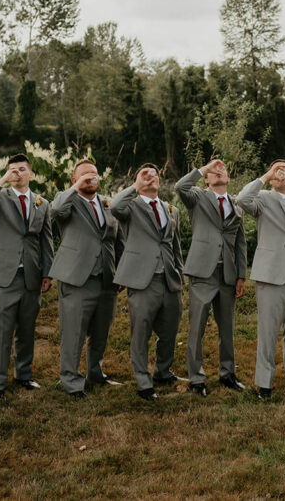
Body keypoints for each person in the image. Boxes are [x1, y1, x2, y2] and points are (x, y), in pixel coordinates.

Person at [0, 153, 54, 399]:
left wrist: (48, 272)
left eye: (21, 169)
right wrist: (1, 181)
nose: (17, 173)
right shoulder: (0, 197)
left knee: (27, 328)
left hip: (31, 274)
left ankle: (24, 375)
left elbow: (46, 240)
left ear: (31, 173)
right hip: (3, 274)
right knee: (2, 330)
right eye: (12, 170)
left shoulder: (42, 203)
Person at [235, 159, 285, 400]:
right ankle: (264, 383)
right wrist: (266, 177)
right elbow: (241, 200)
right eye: (276, 169)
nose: (281, 172)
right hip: (272, 273)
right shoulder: (263, 199)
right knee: (268, 331)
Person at [48, 159, 121, 398]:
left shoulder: (108, 204)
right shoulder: (67, 202)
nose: (91, 177)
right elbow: (56, 210)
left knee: (101, 330)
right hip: (77, 276)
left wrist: (119, 272)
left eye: (94, 173)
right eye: (84, 175)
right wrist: (76, 186)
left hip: (107, 278)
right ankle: (71, 381)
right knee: (74, 332)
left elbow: (117, 240)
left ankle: (95, 372)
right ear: (74, 180)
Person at [111, 163, 184, 401]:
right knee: (141, 332)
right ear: (137, 180)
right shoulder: (130, 207)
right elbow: (114, 206)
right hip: (142, 280)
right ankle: (143, 382)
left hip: (169, 280)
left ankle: (162, 371)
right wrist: (135, 186)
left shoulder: (170, 209)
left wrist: (180, 276)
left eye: (154, 175)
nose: (151, 177)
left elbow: (175, 246)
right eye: (145, 174)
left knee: (170, 330)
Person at [176, 159, 248, 396]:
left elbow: (240, 244)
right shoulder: (197, 197)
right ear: (206, 178)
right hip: (202, 272)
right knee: (196, 328)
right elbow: (179, 188)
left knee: (227, 328)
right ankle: (196, 379)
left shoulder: (236, 207)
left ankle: (228, 374)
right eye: (214, 171)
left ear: (229, 179)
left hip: (227, 274)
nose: (219, 172)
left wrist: (241, 275)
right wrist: (203, 168)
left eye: (223, 169)